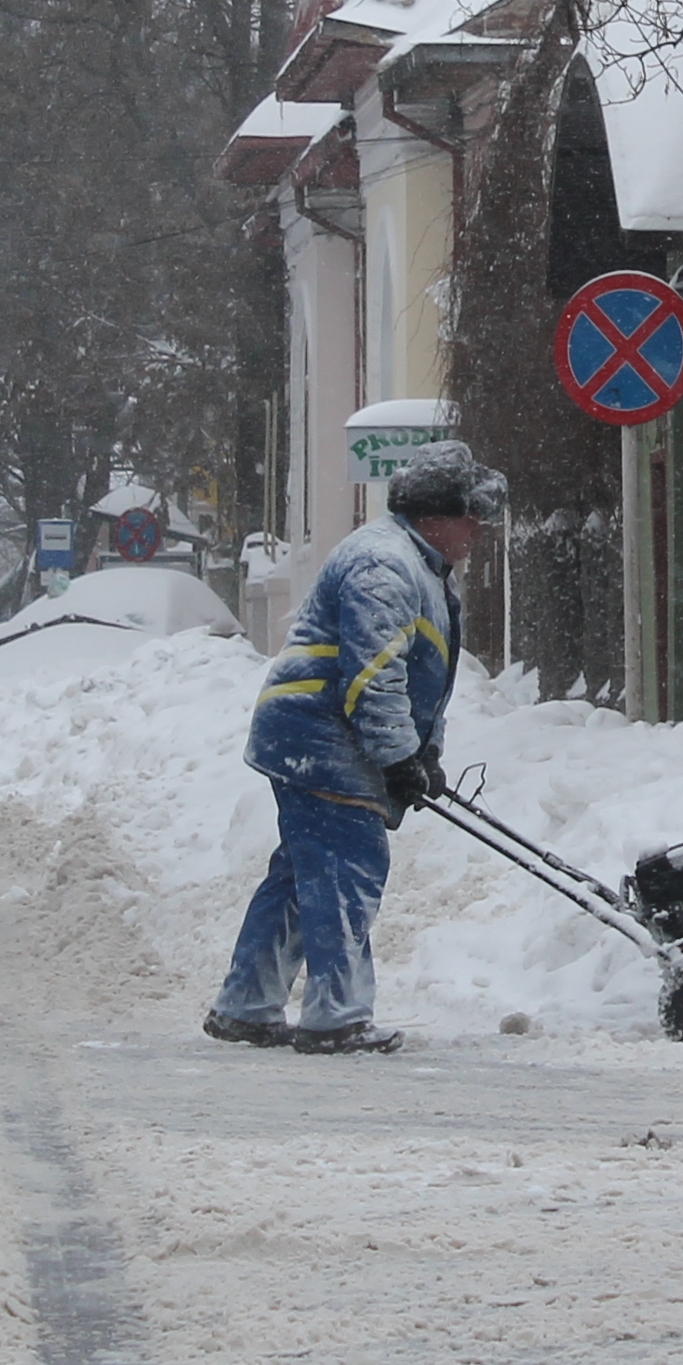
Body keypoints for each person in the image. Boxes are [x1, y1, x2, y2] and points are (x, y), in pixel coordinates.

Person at [208, 443, 505, 1056]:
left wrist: (421, 755)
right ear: (432, 519)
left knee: (301, 874)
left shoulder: (418, 567)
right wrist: (397, 758)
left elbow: (424, 683)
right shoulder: (384, 566)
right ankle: (336, 1016)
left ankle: (247, 1004)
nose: (477, 530)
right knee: (348, 868)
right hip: (317, 735)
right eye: (468, 516)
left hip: (316, 734)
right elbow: (375, 675)